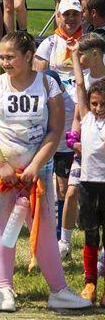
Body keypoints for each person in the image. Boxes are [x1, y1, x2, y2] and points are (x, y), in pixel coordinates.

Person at [0, 31, 91, 311]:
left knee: (44, 227)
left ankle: (58, 290)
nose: (4, 62)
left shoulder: (48, 85)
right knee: (2, 225)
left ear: (28, 56)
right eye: (2, 57)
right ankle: (4, 290)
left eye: (10, 57)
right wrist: (2, 165)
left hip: (37, 172)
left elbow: (55, 130)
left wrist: (36, 166)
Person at [34, 0, 85, 256]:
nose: (71, 19)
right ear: (58, 17)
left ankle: (61, 236)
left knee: (65, 186)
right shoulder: (50, 44)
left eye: (75, 14)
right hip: (47, 127)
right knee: (41, 184)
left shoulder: (88, 44)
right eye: (67, 14)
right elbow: (38, 77)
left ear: (82, 16)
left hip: (72, 129)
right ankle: (40, 230)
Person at [69, 35, 105, 305]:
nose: (98, 108)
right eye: (94, 104)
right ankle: (90, 283)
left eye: (103, 104)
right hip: (88, 183)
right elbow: (80, 84)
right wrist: (73, 55)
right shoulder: (86, 117)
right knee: (90, 234)